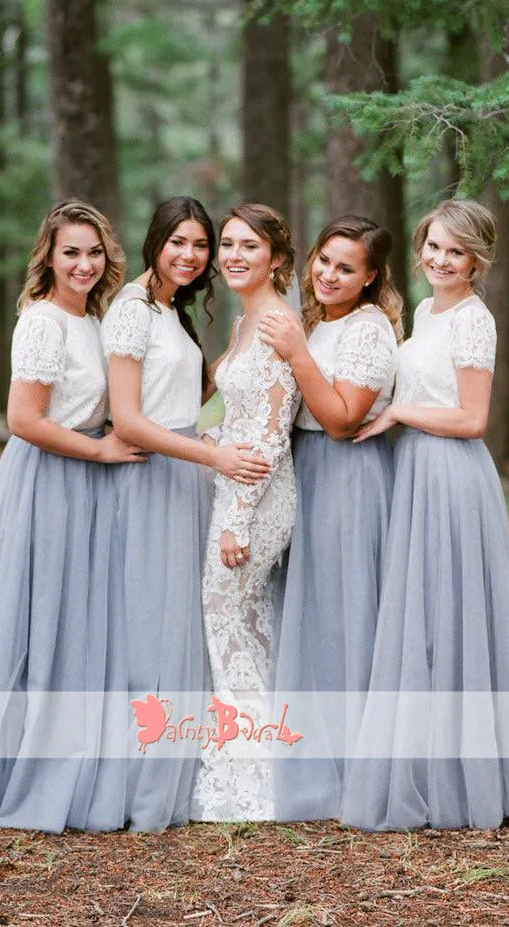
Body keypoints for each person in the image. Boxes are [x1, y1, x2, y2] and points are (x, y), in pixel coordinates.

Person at [341, 199, 509, 831]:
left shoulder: (472, 321)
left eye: (455, 252)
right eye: (433, 246)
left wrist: (401, 414)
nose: (440, 260)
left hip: (449, 474)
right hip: (412, 471)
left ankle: (466, 780)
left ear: (477, 261)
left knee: (451, 616)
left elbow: (471, 418)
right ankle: (425, 767)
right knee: (420, 619)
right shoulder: (427, 312)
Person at [0, 200, 144, 832]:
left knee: (74, 623)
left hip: (87, 478)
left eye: (93, 252)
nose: (84, 264)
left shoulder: (97, 320)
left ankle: (66, 765)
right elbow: (23, 421)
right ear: (48, 259)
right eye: (70, 253)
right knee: (36, 621)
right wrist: (102, 449)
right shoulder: (43, 324)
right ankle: (10, 777)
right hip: (47, 478)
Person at [102, 196, 271, 831]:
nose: (191, 255)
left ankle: (177, 773)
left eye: (201, 246)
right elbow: (130, 419)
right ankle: (138, 780)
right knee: (148, 627)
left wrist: (234, 354)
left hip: (185, 478)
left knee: (180, 625)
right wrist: (214, 456)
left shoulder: (172, 312)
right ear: (156, 242)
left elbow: (187, 394)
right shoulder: (131, 310)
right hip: (151, 482)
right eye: (180, 242)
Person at [258, 216, 401, 820]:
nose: (329, 275)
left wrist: (294, 353)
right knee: (307, 611)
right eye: (323, 261)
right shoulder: (318, 323)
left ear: (370, 277)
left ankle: (355, 771)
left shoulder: (369, 332)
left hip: (347, 475)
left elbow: (343, 418)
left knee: (346, 615)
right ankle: (308, 760)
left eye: (346, 268)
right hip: (305, 471)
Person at [190, 204, 301, 822]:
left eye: (248, 247)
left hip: (256, 498)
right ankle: (251, 765)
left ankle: (255, 784)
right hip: (237, 487)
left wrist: (237, 520)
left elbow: (268, 435)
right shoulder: (242, 324)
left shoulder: (277, 327)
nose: (232, 256)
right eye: (227, 245)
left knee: (227, 621)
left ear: (277, 260)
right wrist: (205, 444)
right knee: (242, 627)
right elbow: (232, 420)